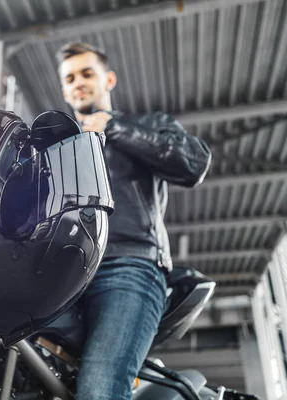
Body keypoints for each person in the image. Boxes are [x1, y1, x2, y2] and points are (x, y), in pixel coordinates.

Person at [55, 42, 212, 400]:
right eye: (70, 78)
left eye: (87, 73)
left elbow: (193, 163)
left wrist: (114, 128)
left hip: (127, 266)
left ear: (108, 79)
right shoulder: (58, 146)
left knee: (100, 391)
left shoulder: (146, 125)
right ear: (64, 90)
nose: (78, 82)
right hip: (62, 275)